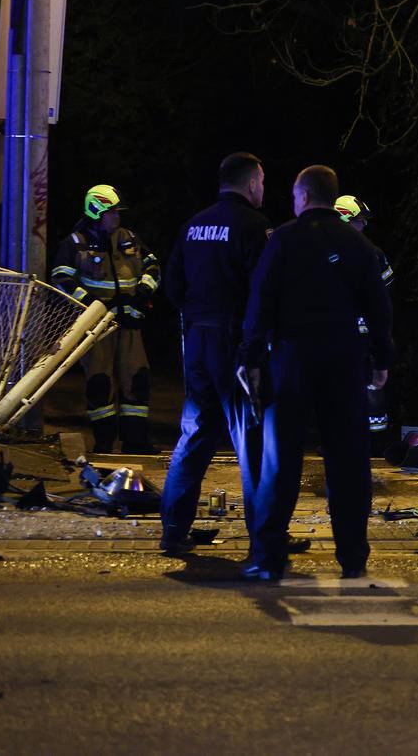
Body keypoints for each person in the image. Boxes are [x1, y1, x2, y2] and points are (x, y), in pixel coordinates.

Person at [237, 166, 392, 581]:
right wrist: (381, 360)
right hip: (343, 360)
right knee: (348, 463)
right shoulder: (358, 244)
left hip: (291, 359)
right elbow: (379, 308)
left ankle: (268, 557)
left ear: (302, 197)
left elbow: (260, 302)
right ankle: (353, 557)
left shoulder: (283, 239)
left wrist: (252, 359)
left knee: (280, 461)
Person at [156, 153, 273, 556]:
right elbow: (263, 293)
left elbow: (171, 285)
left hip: (197, 340)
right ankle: (264, 538)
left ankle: (173, 530)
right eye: (262, 182)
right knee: (251, 441)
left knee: (194, 434)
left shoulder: (193, 226)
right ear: (250, 183)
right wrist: (254, 349)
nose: (263, 189)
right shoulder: (254, 227)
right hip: (234, 341)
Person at [50, 184, 160, 453]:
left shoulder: (130, 238)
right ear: (96, 212)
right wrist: (93, 307)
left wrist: (143, 292)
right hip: (97, 328)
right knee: (100, 384)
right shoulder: (75, 243)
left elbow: (153, 267)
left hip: (130, 322)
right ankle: (103, 442)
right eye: (112, 212)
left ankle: (136, 441)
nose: (117, 217)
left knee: (137, 379)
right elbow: (61, 279)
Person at [335, 194, 394, 451]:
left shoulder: (319, 251)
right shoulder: (371, 253)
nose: (364, 227)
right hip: (352, 335)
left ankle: (366, 443)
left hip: (350, 334)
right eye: (359, 221)